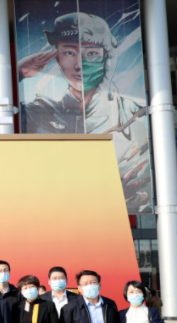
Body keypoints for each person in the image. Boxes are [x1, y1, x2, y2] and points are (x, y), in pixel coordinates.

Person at [18, 12, 151, 212]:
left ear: (107, 57)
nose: (79, 65)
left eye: (91, 54)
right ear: (57, 58)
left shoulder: (134, 116)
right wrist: (17, 72)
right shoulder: (40, 113)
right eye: (69, 53)